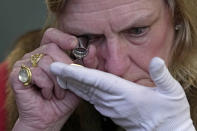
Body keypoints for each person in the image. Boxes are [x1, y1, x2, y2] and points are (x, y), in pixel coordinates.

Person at [1, 0, 197, 130]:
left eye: (137, 30)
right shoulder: (20, 85)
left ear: (177, 18)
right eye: (88, 38)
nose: (115, 67)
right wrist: (36, 127)